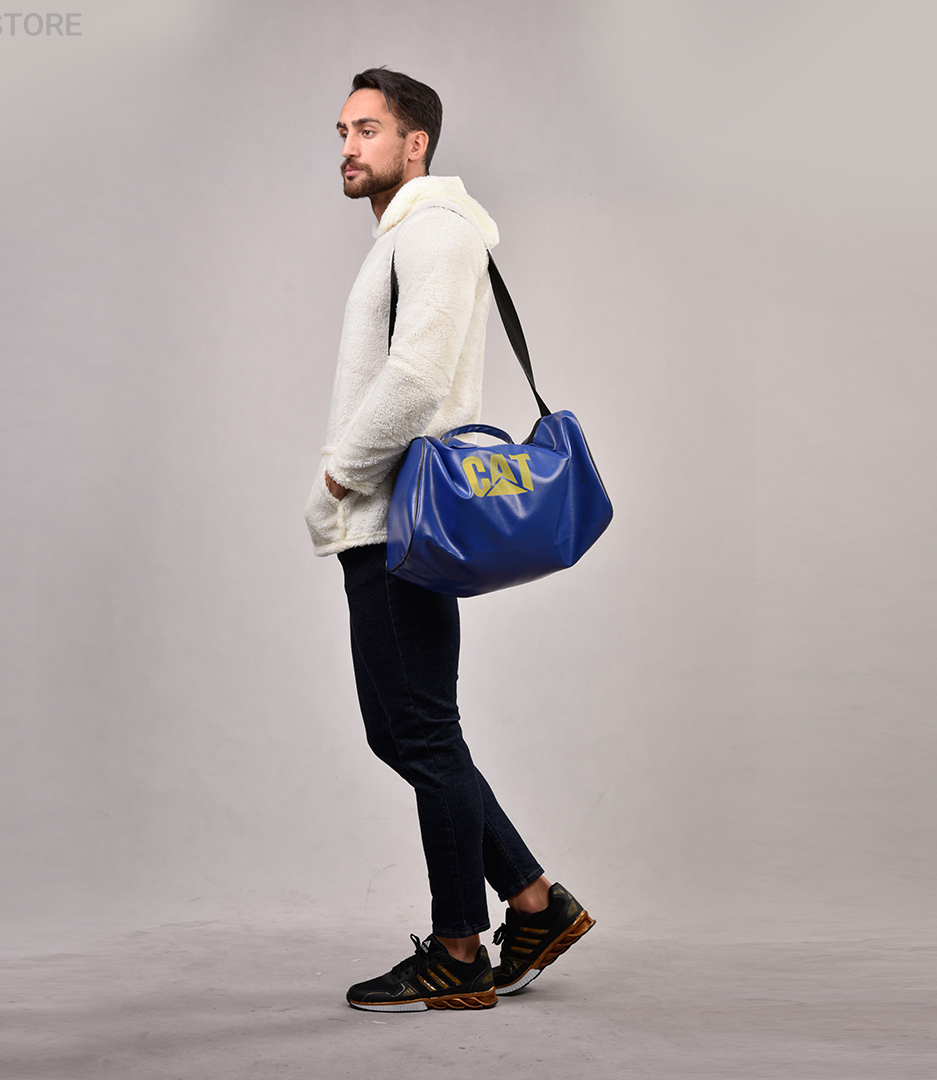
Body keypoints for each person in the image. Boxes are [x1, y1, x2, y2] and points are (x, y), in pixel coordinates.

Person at [304, 67, 594, 1013]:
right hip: (390, 520)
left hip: (399, 517)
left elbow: (418, 376)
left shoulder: (433, 230)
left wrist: (340, 474)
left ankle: (460, 951)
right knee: (407, 731)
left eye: (367, 130)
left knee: (421, 732)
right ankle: (535, 903)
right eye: (342, 131)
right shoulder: (412, 233)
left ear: (415, 143)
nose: (348, 147)